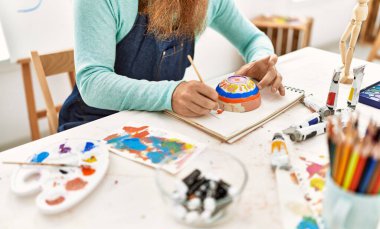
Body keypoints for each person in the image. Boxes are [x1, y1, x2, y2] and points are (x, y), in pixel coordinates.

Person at [58, 0, 285, 131]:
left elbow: (253, 39)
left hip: (159, 123)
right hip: (95, 124)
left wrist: (261, 60)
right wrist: (170, 94)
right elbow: (92, 82)